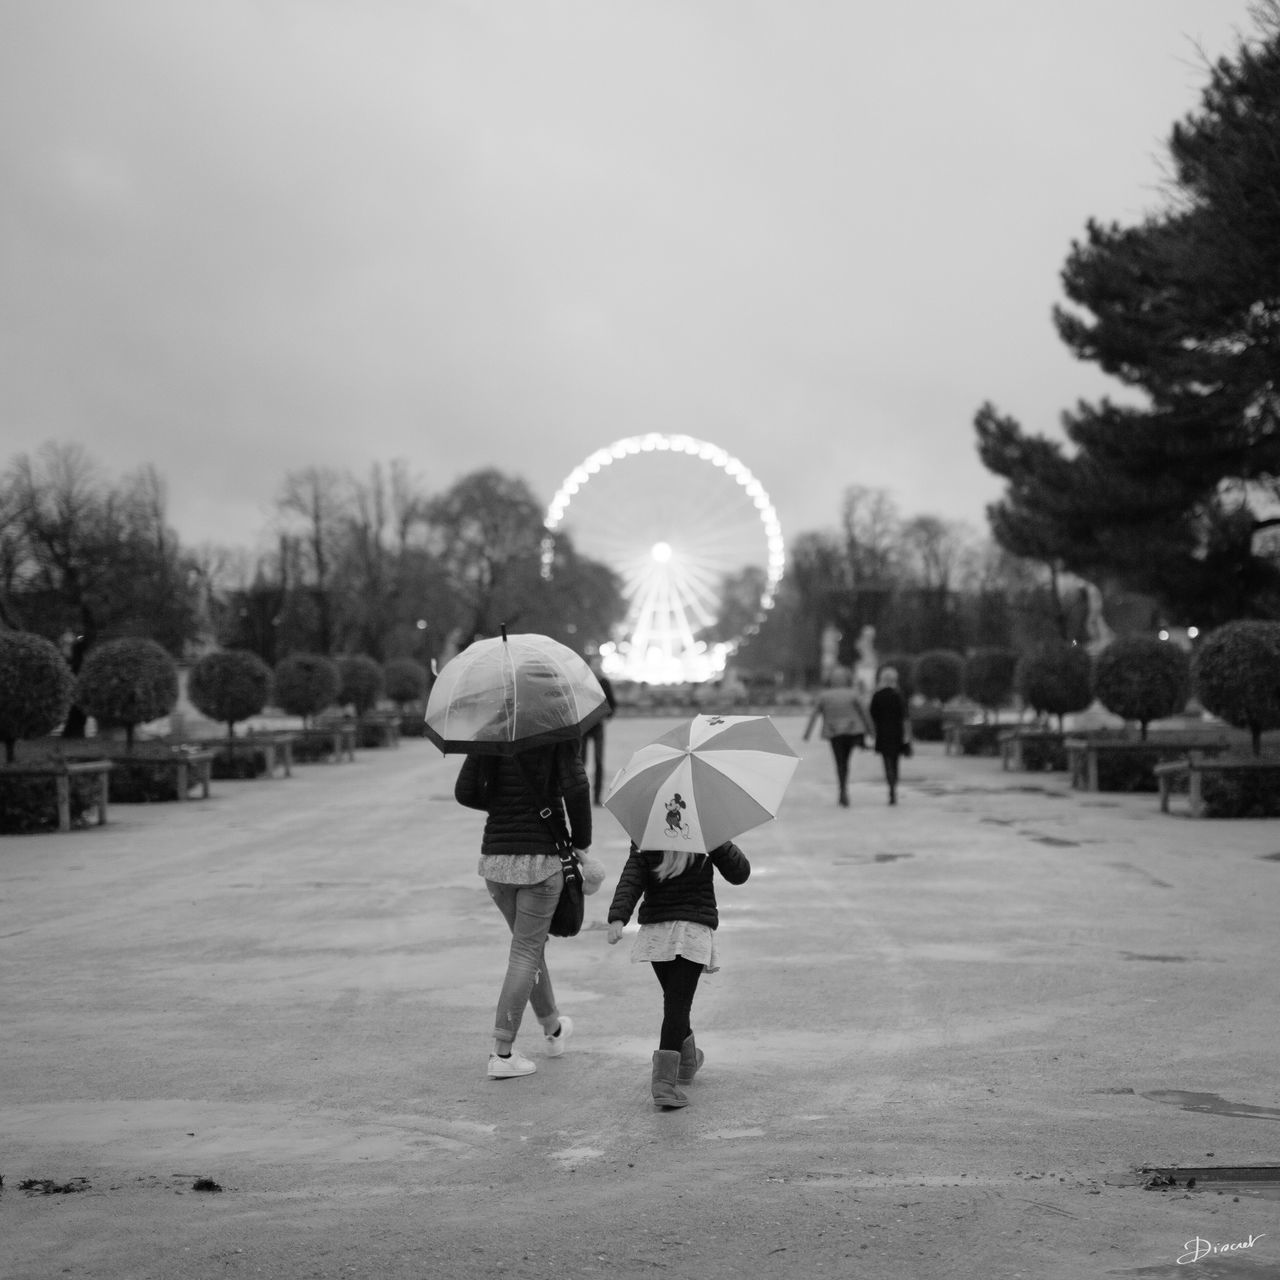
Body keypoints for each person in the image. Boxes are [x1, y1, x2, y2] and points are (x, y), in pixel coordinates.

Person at [455, 739, 593, 1079]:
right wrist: (581, 843)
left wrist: (502, 806)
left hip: (497, 862)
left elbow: (465, 791)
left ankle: (553, 1028)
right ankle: (502, 1053)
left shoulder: (492, 729)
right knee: (526, 951)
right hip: (541, 862)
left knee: (529, 948)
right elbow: (577, 789)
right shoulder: (556, 727)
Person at [606, 839, 751, 1109]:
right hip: (693, 929)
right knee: (677, 1004)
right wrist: (718, 837)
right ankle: (663, 1083)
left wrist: (618, 917)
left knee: (675, 1001)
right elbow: (740, 873)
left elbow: (632, 875)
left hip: (657, 932)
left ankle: (687, 1062)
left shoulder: (647, 829)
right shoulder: (705, 827)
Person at [802, 666, 873, 807]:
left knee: (840, 761)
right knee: (846, 760)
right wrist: (871, 731)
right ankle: (844, 788)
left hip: (834, 733)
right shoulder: (853, 694)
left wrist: (807, 733)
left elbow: (814, 715)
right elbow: (864, 713)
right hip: (851, 732)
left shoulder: (824, 696)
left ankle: (842, 789)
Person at [868, 666, 912, 806]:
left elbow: (872, 716)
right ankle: (894, 787)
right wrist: (907, 735)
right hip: (897, 732)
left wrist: (872, 732)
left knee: (886, 761)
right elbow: (905, 716)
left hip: (882, 732)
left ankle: (890, 786)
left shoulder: (877, 695)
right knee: (895, 761)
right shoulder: (898, 695)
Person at [579, 656, 617, 805]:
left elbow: (612, 703)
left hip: (598, 726)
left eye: (598, 665)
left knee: (599, 761)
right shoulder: (583, 681)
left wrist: (607, 716)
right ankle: (582, 796)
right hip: (585, 725)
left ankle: (596, 797)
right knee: (581, 762)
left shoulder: (604, 682)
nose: (597, 667)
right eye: (594, 665)